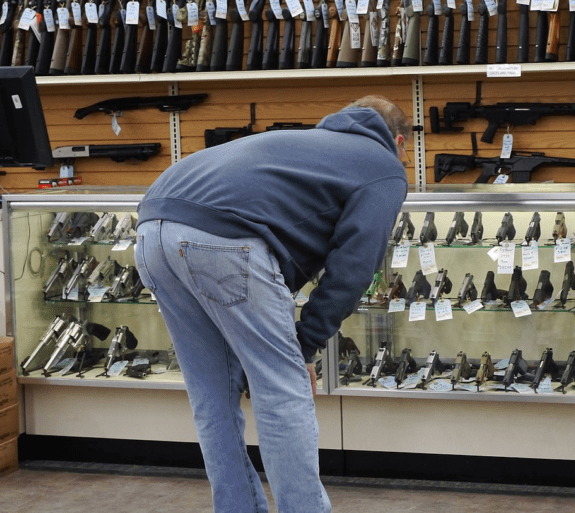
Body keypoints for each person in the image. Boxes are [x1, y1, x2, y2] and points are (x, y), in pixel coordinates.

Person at [134, 95, 411, 513]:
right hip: (220, 239)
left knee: (213, 395)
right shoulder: (382, 165)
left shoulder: (307, 143)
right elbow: (355, 268)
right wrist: (303, 345)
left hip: (151, 231)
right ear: (401, 142)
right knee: (283, 392)